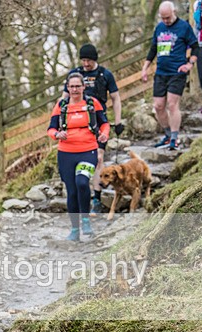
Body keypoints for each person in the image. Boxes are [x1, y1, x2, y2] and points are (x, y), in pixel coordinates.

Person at [61, 43, 124, 215]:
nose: (86, 64)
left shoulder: (105, 74)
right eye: (83, 60)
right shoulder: (75, 75)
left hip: (98, 122)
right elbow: (64, 99)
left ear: (94, 59)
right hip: (76, 126)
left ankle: (96, 197)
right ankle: (83, 195)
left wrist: (117, 122)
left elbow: (116, 98)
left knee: (99, 157)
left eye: (88, 60)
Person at [47, 72, 110, 241]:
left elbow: (104, 123)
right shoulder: (61, 105)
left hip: (88, 151)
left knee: (82, 182)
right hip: (66, 154)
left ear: (83, 87)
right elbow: (51, 128)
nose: (75, 89)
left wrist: (104, 134)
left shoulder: (92, 103)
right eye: (71, 86)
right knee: (72, 192)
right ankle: (75, 230)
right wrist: (57, 135)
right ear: (67, 88)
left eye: (78, 86)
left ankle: (86, 221)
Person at [141, 1, 200, 150]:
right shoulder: (159, 28)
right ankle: (167, 134)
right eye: (163, 18)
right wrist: (145, 68)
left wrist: (189, 64)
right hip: (161, 72)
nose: (166, 21)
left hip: (177, 72)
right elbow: (153, 49)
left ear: (174, 12)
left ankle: (175, 138)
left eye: (167, 17)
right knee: (158, 106)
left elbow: (195, 47)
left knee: (172, 105)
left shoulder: (184, 27)